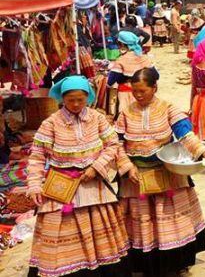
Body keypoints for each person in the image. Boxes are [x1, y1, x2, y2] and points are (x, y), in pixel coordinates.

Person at [26, 76, 130, 277]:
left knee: (100, 232)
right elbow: (37, 156)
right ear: (61, 99)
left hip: (93, 182)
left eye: (80, 100)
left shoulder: (97, 118)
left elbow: (112, 144)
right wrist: (34, 185)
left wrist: (97, 167)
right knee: (59, 234)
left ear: (88, 98)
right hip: (61, 186)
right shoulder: (51, 123)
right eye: (70, 100)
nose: (75, 104)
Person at [115, 68, 205, 276]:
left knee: (169, 220)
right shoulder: (125, 113)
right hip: (135, 178)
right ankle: (145, 265)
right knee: (142, 222)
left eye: (143, 91)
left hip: (166, 173)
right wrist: (126, 166)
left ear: (154, 88)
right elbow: (117, 144)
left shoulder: (168, 108)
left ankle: (173, 263)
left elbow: (185, 133)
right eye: (135, 91)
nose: (138, 95)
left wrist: (201, 150)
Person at [108, 31, 157, 115]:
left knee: (127, 116)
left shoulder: (121, 60)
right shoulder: (145, 58)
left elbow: (111, 81)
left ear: (122, 45)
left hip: (126, 94)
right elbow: (156, 75)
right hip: (144, 92)